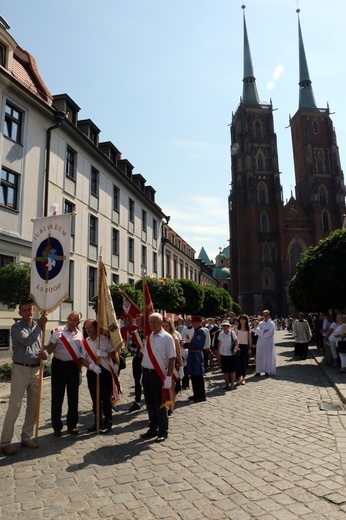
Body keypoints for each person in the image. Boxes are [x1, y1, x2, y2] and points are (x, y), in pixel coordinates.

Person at [1, 302, 48, 455]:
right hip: (20, 368)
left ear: (33, 311)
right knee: (15, 405)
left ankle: (26, 436)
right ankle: (5, 441)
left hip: (36, 369)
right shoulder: (16, 327)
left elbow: (43, 346)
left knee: (34, 405)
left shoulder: (38, 327)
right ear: (20, 313)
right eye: (25, 310)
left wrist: (45, 354)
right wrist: (39, 326)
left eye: (30, 309)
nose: (28, 312)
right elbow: (27, 341)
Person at [46, 311, 86, 436]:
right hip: (59, 366)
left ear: (78, 322)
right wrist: (53, 340)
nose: (71, 322)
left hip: (73, 367)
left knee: (73, 398)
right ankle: (57, 427)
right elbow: (49, 350)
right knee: (57, 397)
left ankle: (72, 425)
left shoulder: (80, 335)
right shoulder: (58, 332)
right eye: (69, 319)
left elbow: (81, 353)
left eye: (74, 320)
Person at [140, 312, 176, 442]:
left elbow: (172, 358)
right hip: (147, 374)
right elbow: (145, 356)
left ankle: (163, 431)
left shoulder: (167, 338)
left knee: (160, 404)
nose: (152, 324)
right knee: (149, 403)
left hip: (158, 375)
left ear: (161, 323)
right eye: (150, 322)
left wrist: (168, 377)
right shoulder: (148, 338)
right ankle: (153, 428)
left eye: (155, 321)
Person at [80, 319, 114, 433]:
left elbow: (114, 353)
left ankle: (108, 424)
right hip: (93, 372)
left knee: (105, 399)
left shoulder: (104, 340)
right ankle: (97, 423)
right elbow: (82, 359)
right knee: (95, 400)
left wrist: (104, 354)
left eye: (90, 327)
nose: (88, 330)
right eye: (86, 328)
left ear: (96, 327)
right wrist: (91, 366)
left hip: (105, 371)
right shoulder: (84, 342)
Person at [162, 317, 184, 414]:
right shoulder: (159, 338)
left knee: (171, 387)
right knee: (163, 387)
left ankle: (171, 407)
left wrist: (181, 368)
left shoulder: (175, 339)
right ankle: (164, 406)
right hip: (161, 365)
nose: (165, 328)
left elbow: (179, 355)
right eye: (163, 326)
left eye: (167, 326)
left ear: (170, 327)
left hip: (172, 365)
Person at [186, 316, 206, 402]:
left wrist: (187, 345)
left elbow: (197, 344)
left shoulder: (201, 331)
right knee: (194, 376)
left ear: (198, 323)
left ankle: (201, 395)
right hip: (193, 355)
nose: (192, 324)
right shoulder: (196, 331)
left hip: (196, 355)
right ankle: (196, 394)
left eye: (194, 322)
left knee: (198, 376)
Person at [127, 313, 145, 412]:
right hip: (137, 359)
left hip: (148, 361)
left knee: (147, 381)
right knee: (137, 381)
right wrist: (140, 351)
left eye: (139, 320)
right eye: (136, 320)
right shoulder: (134, 333)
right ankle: (137, 402)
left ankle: (149, 401)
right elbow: (130, 347)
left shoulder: (148, 332)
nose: (137, 322)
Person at [217, 320, 239, 390]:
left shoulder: (232, 333)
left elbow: (236, 342)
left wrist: (235, 348)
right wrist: (218, 352)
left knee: (232, 370)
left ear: (228, 326)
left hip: (231, 354)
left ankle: (232, 384)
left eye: (226, 326)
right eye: (223, 326)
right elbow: (219, 343)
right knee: (225, 370)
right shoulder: (221, 334)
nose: (225, 327)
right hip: (223, 353)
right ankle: (226, 383)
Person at [254, 310, 276, 377]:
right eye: (264, 315)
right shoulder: (260, 323)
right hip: (260, 342)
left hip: (268, 342)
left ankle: (267, 370)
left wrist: (262, 334)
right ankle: (258, 371)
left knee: (267, 355)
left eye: (267, 315)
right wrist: (263, 331)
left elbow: (271, 332)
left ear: (269, 316)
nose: (265, 317)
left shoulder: (272, 323)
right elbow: (257, 331)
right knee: (259, 356)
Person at [235, 314, 252, 385]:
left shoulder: (248, 328)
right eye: (241, 319)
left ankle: (244, 377)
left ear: (246, 320)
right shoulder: (237, 328)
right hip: (238, 346)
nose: (242, 321)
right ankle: (238, 377)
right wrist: (235, 347)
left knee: (244, 363)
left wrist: (249, 348)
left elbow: (249, 339)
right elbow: (235, 338)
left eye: (244, 319)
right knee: (238, 363)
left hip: (245, 346)